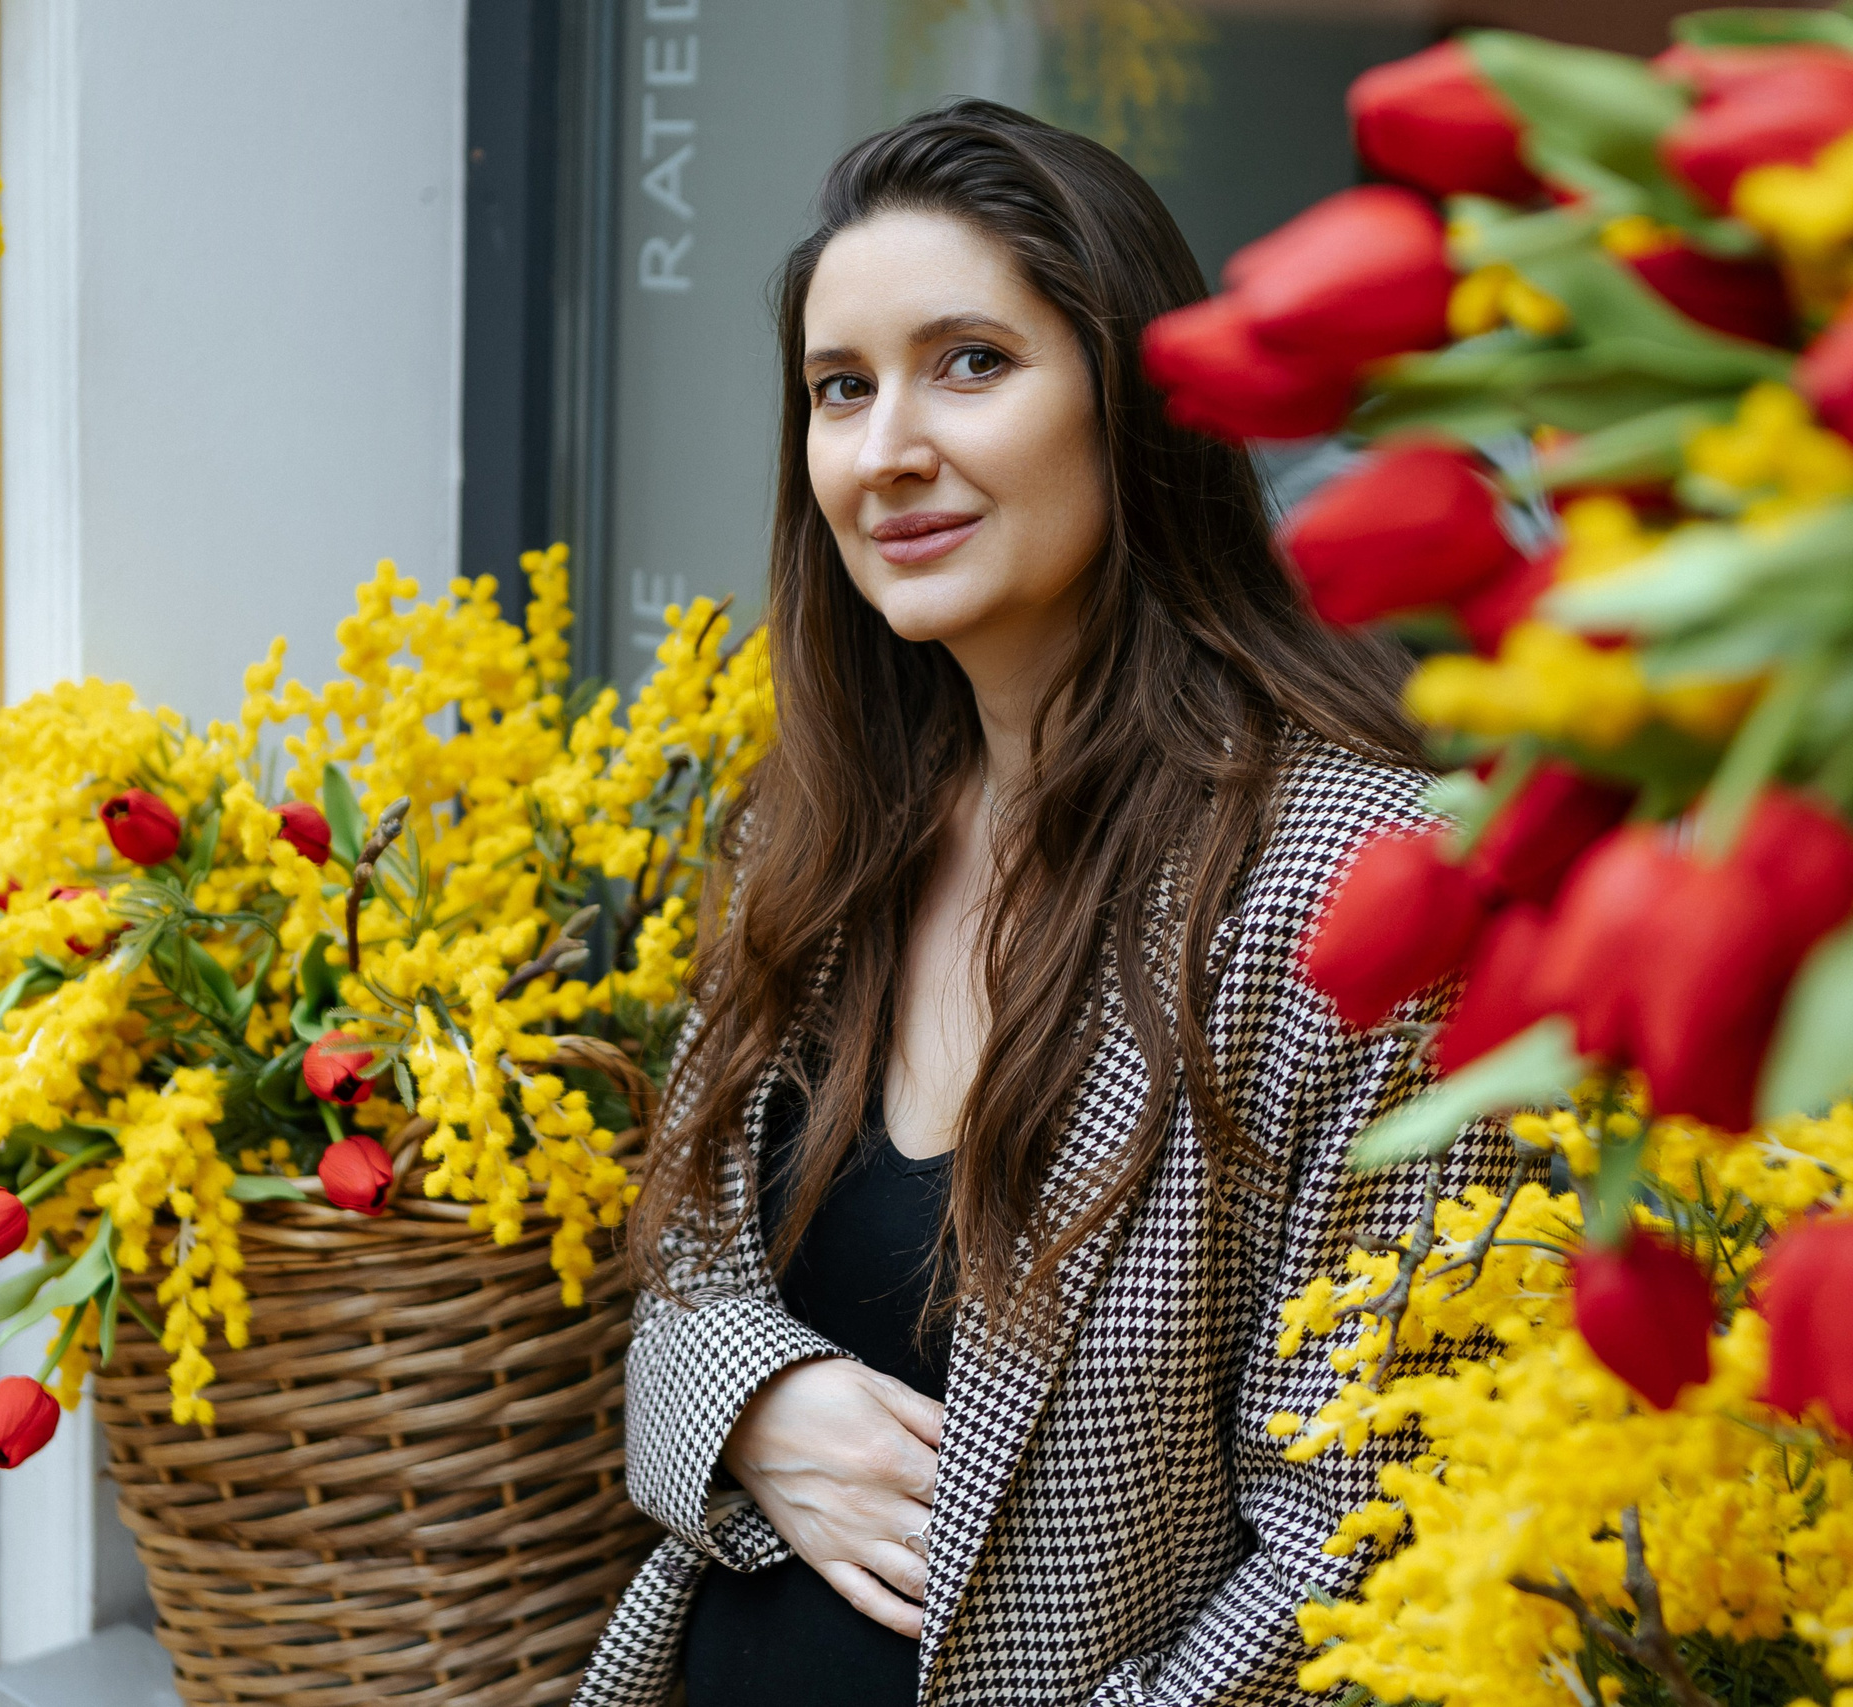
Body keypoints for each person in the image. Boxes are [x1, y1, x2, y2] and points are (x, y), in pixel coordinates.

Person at [573, 100, 1523, 1707]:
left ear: (1135, 404)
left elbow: (1364, 1549)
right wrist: (758, 1400)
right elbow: (676, 1273)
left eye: (971, 364)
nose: (886, 454)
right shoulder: (812, 836)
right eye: (839, 391)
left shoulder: (1353, 891)